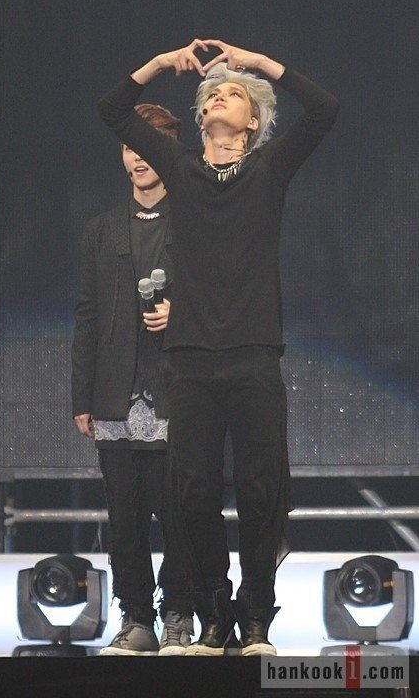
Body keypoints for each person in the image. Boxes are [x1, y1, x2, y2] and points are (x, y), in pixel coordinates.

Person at [97, 38, 339, 657]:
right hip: (191, 361)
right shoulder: (180, 169)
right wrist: (159, 64)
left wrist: (258, 63)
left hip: (254, 355)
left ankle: (256, 618)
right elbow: (114, 110)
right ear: (201, 119)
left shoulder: (268, 168)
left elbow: (324, 110)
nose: (217, 100)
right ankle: (214, 610)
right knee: (193, 494)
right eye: (210, 96)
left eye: (232, 94)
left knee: (260, 493)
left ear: (252, 120)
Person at [71, 102, 194, 655]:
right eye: (129, 147)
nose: (138, 158)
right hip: (115, 395)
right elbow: (88, 316)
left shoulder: (194, 222)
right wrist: (83, 396)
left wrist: (181, 314)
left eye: (149, 146)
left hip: (177, 391)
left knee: (180, 513)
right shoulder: (100, 230)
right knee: (124, 519)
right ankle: (136, 617)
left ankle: (179, 615)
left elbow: (222, 297)